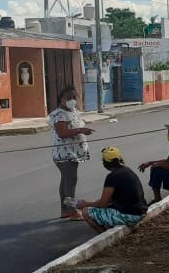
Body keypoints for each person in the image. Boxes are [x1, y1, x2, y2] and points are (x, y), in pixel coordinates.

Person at [47, 86, 94, 220]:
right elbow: (62, 133)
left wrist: (82, 130)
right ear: (61, 99)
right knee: (71, 182)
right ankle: (72, 212)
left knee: (66, 181)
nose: (72, 100)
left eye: (74, 97)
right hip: (64, 154)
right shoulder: (59, 114)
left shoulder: (74, 111)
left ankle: (65, 211)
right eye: (69, 98)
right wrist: (81, 131)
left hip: (73, 153)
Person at [75, 147, 149, 231]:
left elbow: (102, 204)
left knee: (86, 212)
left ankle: (103, 235)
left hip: (131, 215)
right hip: (141, 211)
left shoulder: (112, 177)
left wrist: (86, 204)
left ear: (106, 163)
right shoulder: (126, 170)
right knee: (101, 204)